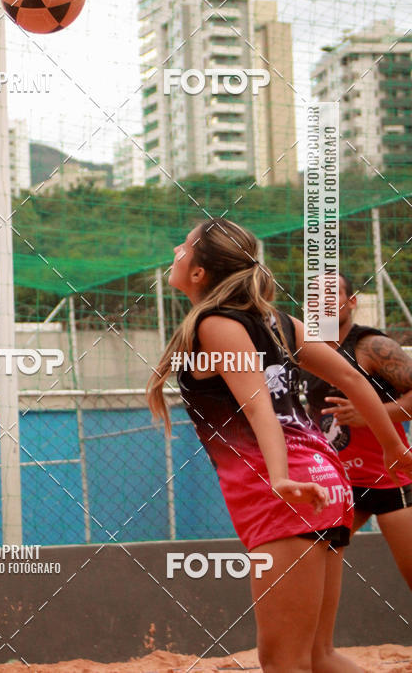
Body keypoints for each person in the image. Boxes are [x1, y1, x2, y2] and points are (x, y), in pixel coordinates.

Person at [147, 219, 412, 673]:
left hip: (287, 491)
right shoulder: (275, 320)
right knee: (317, 656)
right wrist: (394, 448)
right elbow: (348, 376)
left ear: (199, 273)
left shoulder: (217, 323)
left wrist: (281, 477)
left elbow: (257, 409)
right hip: (322, 480)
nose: (176, 247)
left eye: (184, 246)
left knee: (284, 661)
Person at [300, 271, 412, 588]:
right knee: (313, 558)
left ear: (351, 302)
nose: (322, 301)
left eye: (331, 294)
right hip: (342, 482)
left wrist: (371, 414)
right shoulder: (306, 348)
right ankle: (317, 640)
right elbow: (315, 412)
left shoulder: (371, 346)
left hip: (391, 479)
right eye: (315, 295)